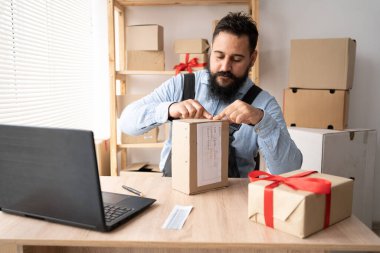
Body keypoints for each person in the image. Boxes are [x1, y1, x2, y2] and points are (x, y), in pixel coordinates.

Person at [120, 12, 302, 177]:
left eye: (236, 59)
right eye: (219, 56)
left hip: (233, 199)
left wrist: (261, 121)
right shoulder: (181, 85)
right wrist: (169, 109)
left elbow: (290, 170)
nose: (225, 67)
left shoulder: (264, 103)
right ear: (210, 51)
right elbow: (127, 123)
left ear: (252, 59)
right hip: (174, 188)